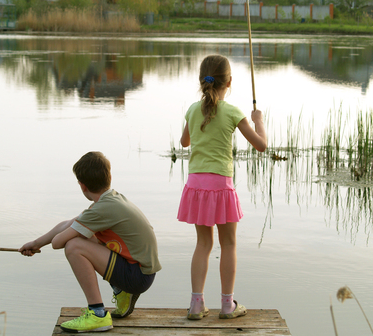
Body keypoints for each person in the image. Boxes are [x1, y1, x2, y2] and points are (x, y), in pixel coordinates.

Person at [20, 151, 161, 332]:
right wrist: (36, 243)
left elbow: (58, 242)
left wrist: (71, 235)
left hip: (137, 276)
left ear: (82, 185)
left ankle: (97, 314)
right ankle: (121, 290)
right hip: (142, 272)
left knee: (74, 246)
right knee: (86, 235)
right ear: (109, 176)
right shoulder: (110, 200)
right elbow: (69, 224)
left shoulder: (100, 210)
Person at [177, 55, 267, 320]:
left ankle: (196, 304)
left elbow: (184, 142)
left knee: (203, 244)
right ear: (229, 81)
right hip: (220, 185)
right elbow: (261, 145)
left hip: (196, 186)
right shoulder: (232, 112)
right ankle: (227, 305)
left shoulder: (193, 109)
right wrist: (258, 119)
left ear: (203, 81)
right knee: (228, 244)